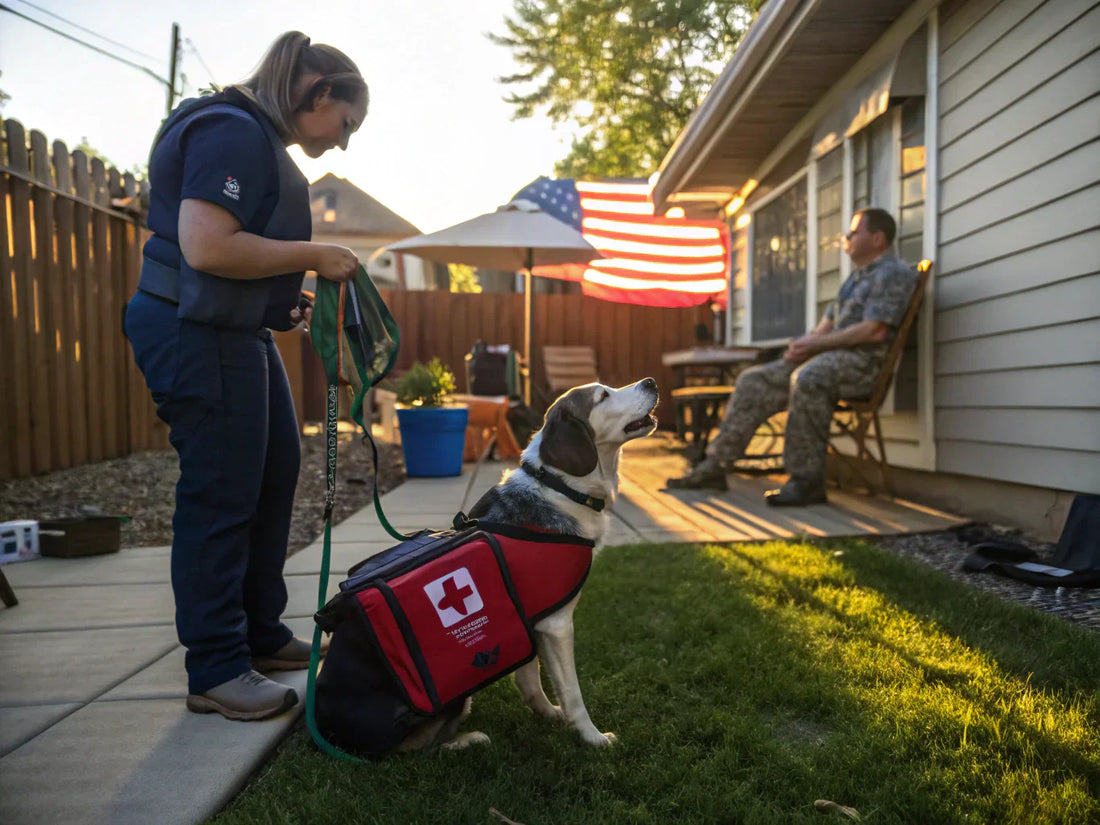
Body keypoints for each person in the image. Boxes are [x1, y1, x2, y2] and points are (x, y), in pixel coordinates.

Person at [123, 32, 367, 720]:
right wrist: (317, 252)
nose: (343, 141)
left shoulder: (257, 137)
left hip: (236, 330)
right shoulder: (232, 131)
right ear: (319, 92)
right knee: (222, 492)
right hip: (192, 331)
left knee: (274, 469)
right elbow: (206, 245)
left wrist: (283, 297)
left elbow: (234, 253)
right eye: (345, 122)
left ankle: (259, 631)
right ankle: (217, 665)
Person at [667, 208, 917, 507]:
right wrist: (803, 345)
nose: (847, 238)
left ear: (877, 238)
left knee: (809, 378)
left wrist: (816, 345)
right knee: (754, 379)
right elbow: (826, 326)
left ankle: (806, 480)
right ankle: (715, 466)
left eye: (854, 232)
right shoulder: (855, 279)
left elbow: (875, 331)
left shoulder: (894, 273)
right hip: (829, 359)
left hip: (862, 365)